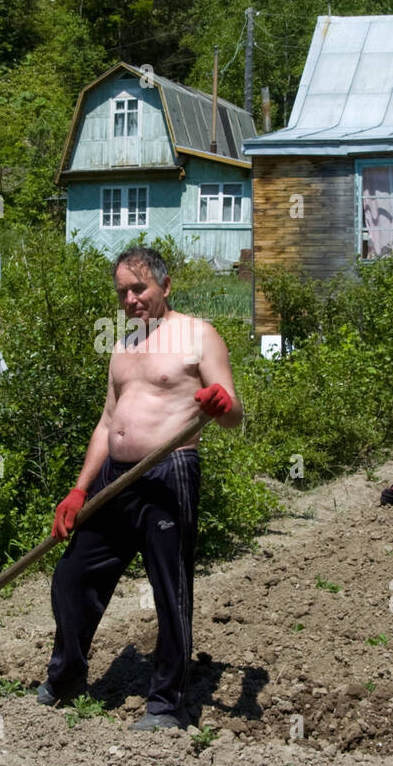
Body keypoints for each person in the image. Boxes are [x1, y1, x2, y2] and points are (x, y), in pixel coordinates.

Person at [39, 245, 243, 730]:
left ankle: (167, 704)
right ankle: (66, 677)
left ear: (165, 287)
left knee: (169, 589)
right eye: (123, 292)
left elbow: (234, 416)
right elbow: (107, 422)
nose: (131, 299)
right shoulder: (124, 345)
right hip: (115, 479)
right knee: (72, 577)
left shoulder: (199, 335)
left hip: (168, 473)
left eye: (140, 289)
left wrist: (220, 403)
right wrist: (78, 490)